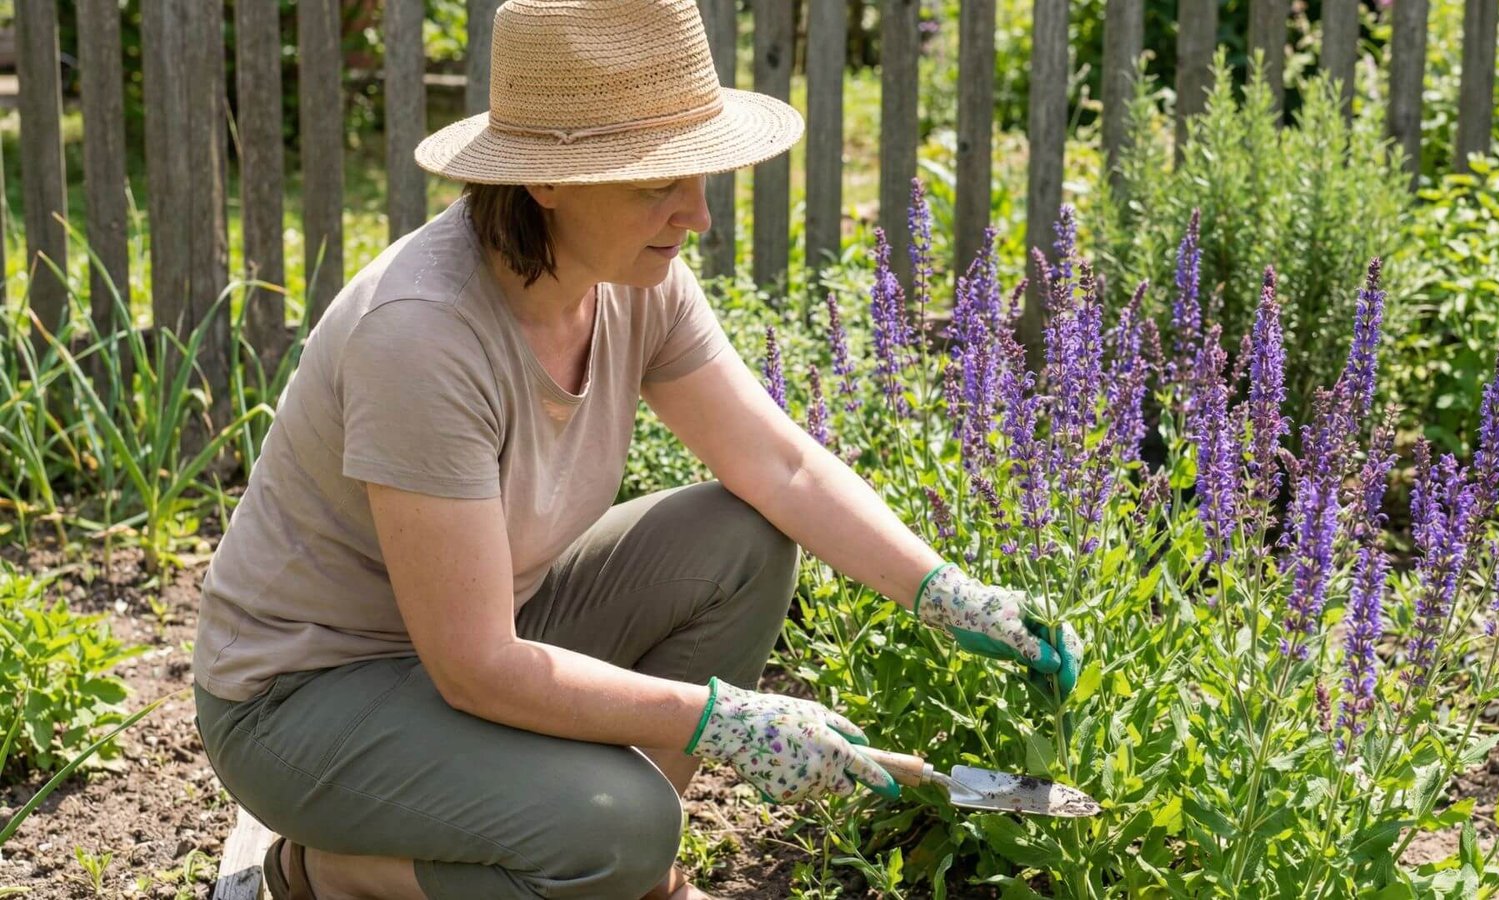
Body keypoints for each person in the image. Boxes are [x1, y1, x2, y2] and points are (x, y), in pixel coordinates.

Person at [190, 2, 1083, 899]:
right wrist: (727, 720)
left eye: (697, 175)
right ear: (546, 181)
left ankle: (607, 861)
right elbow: (474, 666)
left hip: (482, 637)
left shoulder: (633, 282)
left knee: (741, 539)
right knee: (624, 832)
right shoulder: (423, 337)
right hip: (306, 703)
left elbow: (781, 467)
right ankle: (332, 873)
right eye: (657, 184)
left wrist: (948, 593)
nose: (697, 215)